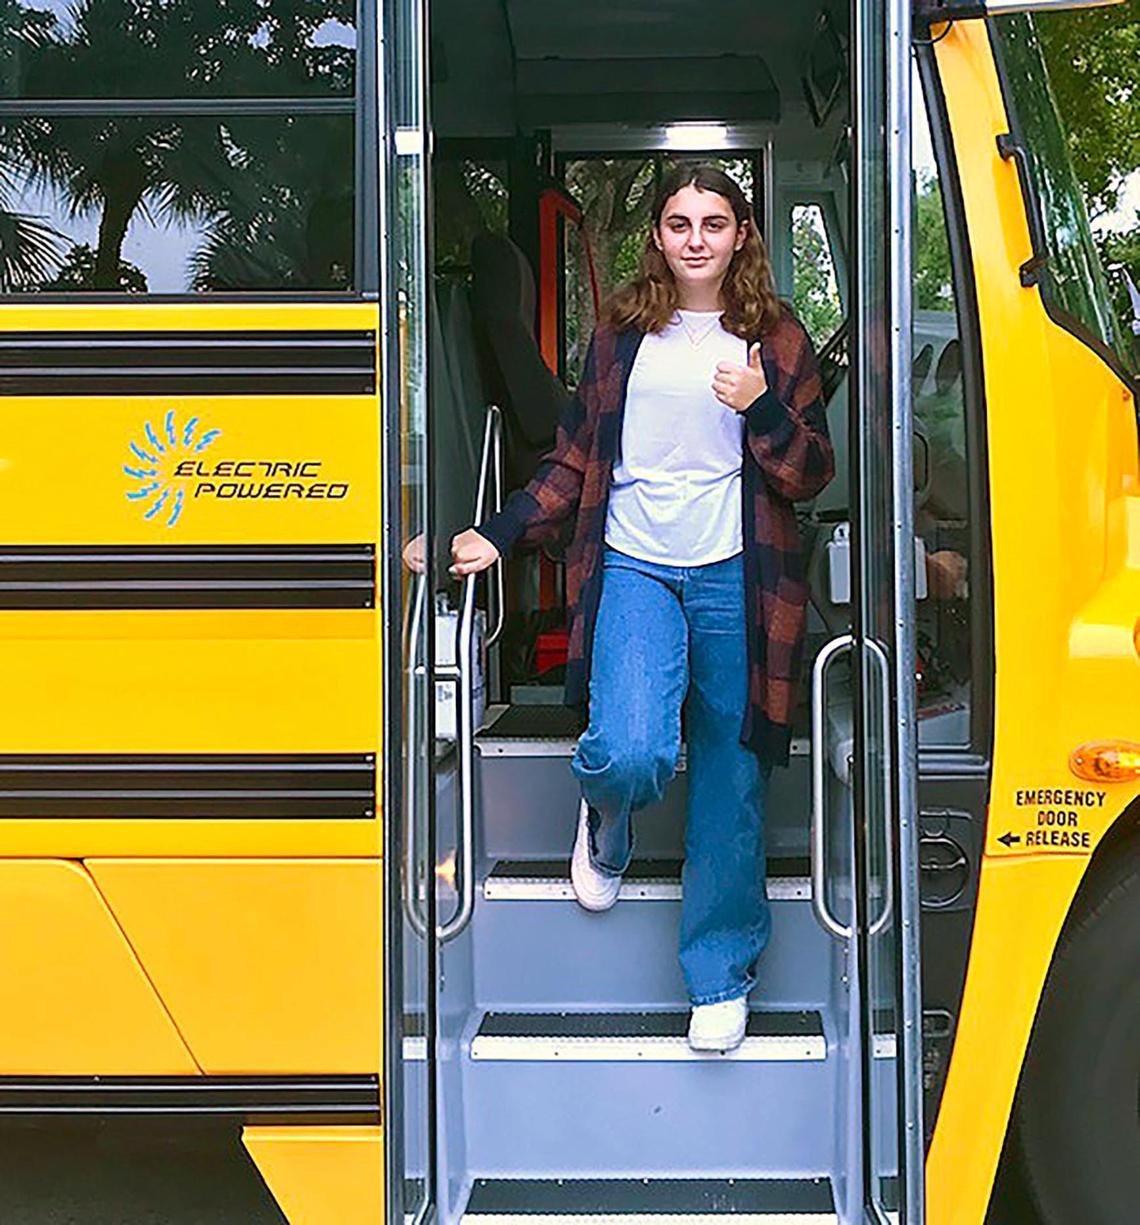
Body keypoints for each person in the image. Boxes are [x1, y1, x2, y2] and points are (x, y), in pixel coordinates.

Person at [451, 163, 834, 1052]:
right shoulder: (623, 334)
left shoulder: (776, 337)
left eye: (713, 221)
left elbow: (811, 472)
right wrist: (501, 531)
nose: (695, 237)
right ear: (656, 237)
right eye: (677, 222)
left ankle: (718, 974)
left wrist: (762, 407)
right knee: (628, 749)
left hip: (738, 576)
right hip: (635, 566)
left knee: (732, 782)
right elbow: (575, 460)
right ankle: (609, 819)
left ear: (742, 234)